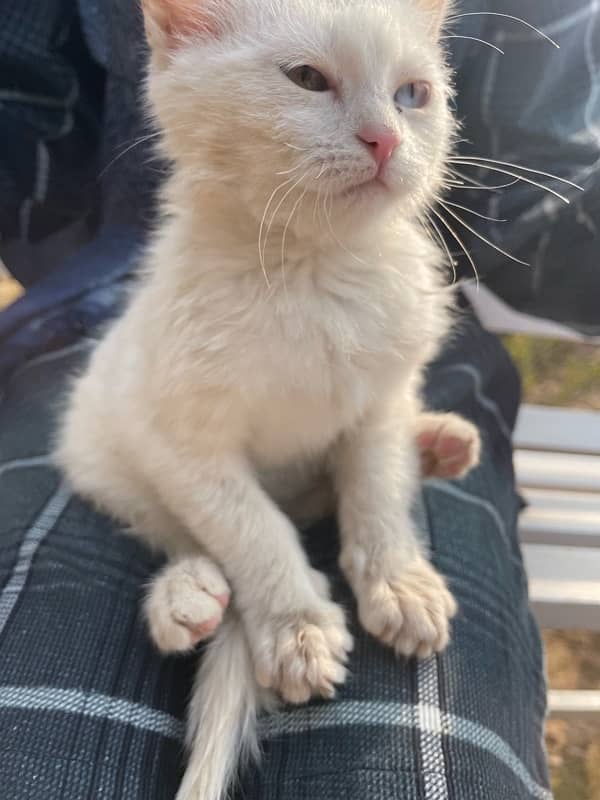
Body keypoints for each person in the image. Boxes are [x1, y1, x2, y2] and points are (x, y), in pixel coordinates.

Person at [0, 2, 597, 798]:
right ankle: (201, 553)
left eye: (413, 93)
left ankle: (315, 496)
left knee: (424, 764)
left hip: (383, 383)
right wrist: (278, 595)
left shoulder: (404, 287)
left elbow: (541, 207)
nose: (384, 134)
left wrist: (383, 548)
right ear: (182, 32)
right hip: (106, 351)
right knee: (41, 727)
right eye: (311, 80)